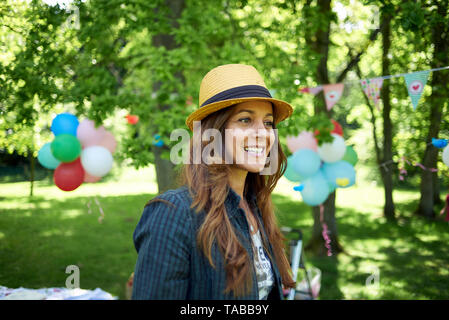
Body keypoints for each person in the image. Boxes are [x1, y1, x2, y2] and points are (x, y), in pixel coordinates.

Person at [132, 64, 296, 300]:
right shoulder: (174, 213)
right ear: (213, 132)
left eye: (268, 123)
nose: (263, 133)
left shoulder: (254, 207)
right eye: (245, 119)